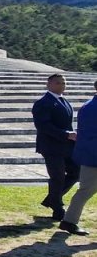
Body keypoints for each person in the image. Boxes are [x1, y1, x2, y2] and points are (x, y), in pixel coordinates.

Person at [32, 74, 79, 221]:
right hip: (51, 147)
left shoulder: (64, 101)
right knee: (57, 177)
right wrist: (66, 134)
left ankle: (52, 199)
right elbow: (43, 126)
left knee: (76, 172)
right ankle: (58, 209)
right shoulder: (43, 103)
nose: (62, 85)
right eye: (58, 83)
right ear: (49, 84)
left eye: (64, 83)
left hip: (67, 146)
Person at [60, 80, 97, 235]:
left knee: (86, 190)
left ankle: (69, 221)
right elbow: (90, 134)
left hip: (91, 154)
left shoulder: (90, 106)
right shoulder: (91, 108)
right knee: (86, 190)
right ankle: (69, 221)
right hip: (93, 156)